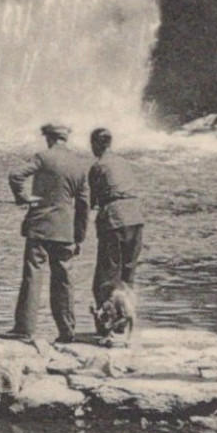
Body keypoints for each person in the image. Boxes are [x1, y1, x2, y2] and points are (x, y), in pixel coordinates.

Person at [3, 123, 91, 344]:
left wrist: (22, 198)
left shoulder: (43, 157)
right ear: (65, 139)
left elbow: (15, 175)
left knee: (33, 276)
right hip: (66, 231)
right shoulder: (80, 165)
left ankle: (24, 329)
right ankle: (66, 331)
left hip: (40, 227)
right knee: (64, 281)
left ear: (49, 138)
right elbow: (84, 205)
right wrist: (79, 236)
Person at [88, 127, 144, 342]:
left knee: (106, 277)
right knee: (128, 274)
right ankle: (126, 322)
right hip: (136, 217)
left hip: (114, 220)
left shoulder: (98, 166)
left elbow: (91, 201)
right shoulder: (123, 163)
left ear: (96, 145)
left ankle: (107, 328)